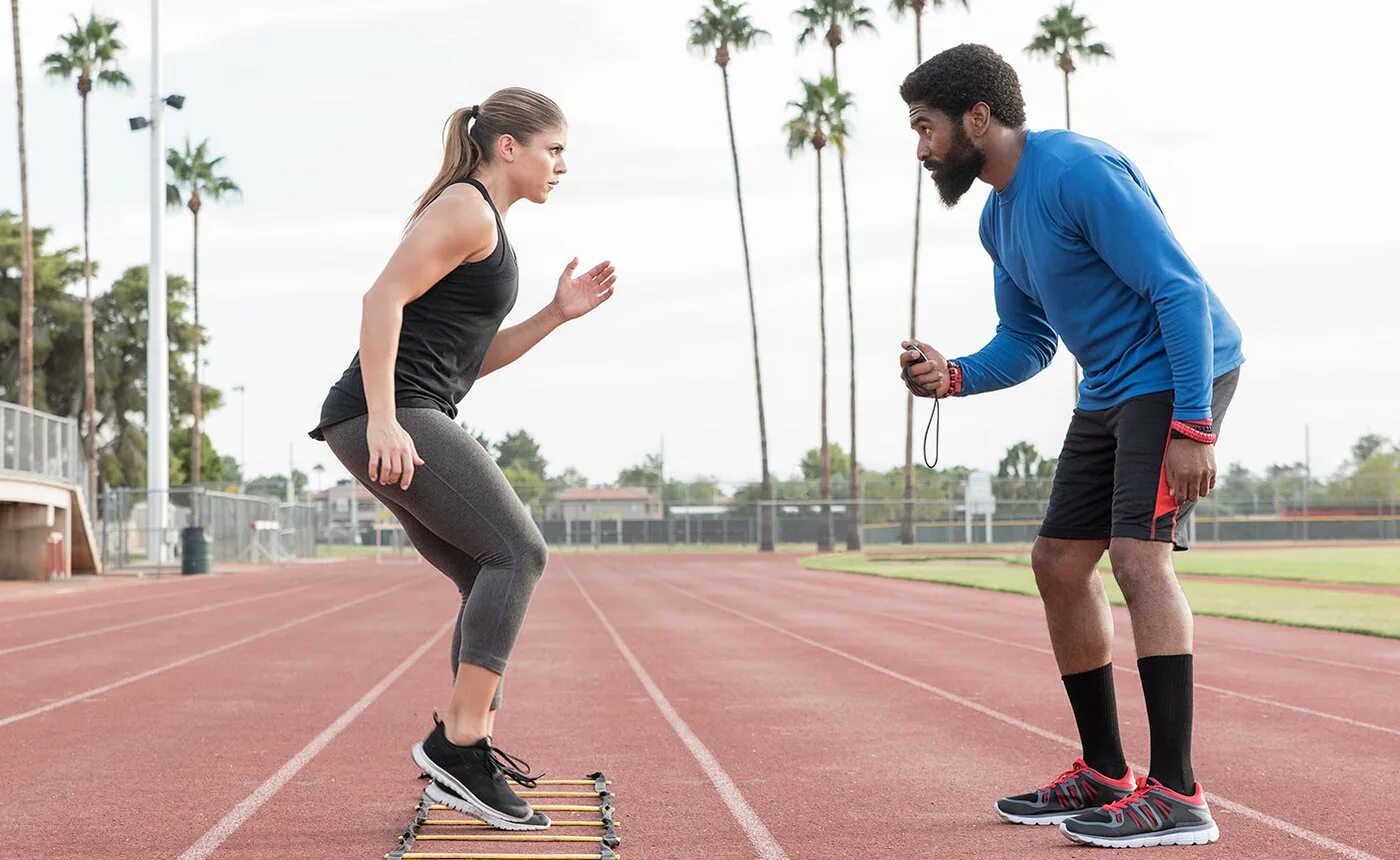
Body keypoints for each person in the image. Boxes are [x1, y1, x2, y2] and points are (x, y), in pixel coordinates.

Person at [897, 44, 1243, 849]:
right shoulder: (998, 217)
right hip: (1109, 388)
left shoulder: (1077, 170)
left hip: (1175, 371)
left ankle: (1179, 794)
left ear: (977, 118)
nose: (920, 148)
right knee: (1057, 563)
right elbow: (1027, 339)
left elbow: (1178, 289)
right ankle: (1105, 771)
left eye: (925, 128)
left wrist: (1194, 425)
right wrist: (954, 377)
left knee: (1138, 559)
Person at [308, 87, 617, 830]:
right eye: (554, 150)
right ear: (507, 147)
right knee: (520, 554)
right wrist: (385, 419)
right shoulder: (467, 208)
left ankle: (462, 752)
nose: (562, 166)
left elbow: (466, 363)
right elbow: (380, 300)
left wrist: (554, 314)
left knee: (487, 569)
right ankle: (459, 744)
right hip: (388, 414)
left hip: (408, 407)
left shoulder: (487, 224)